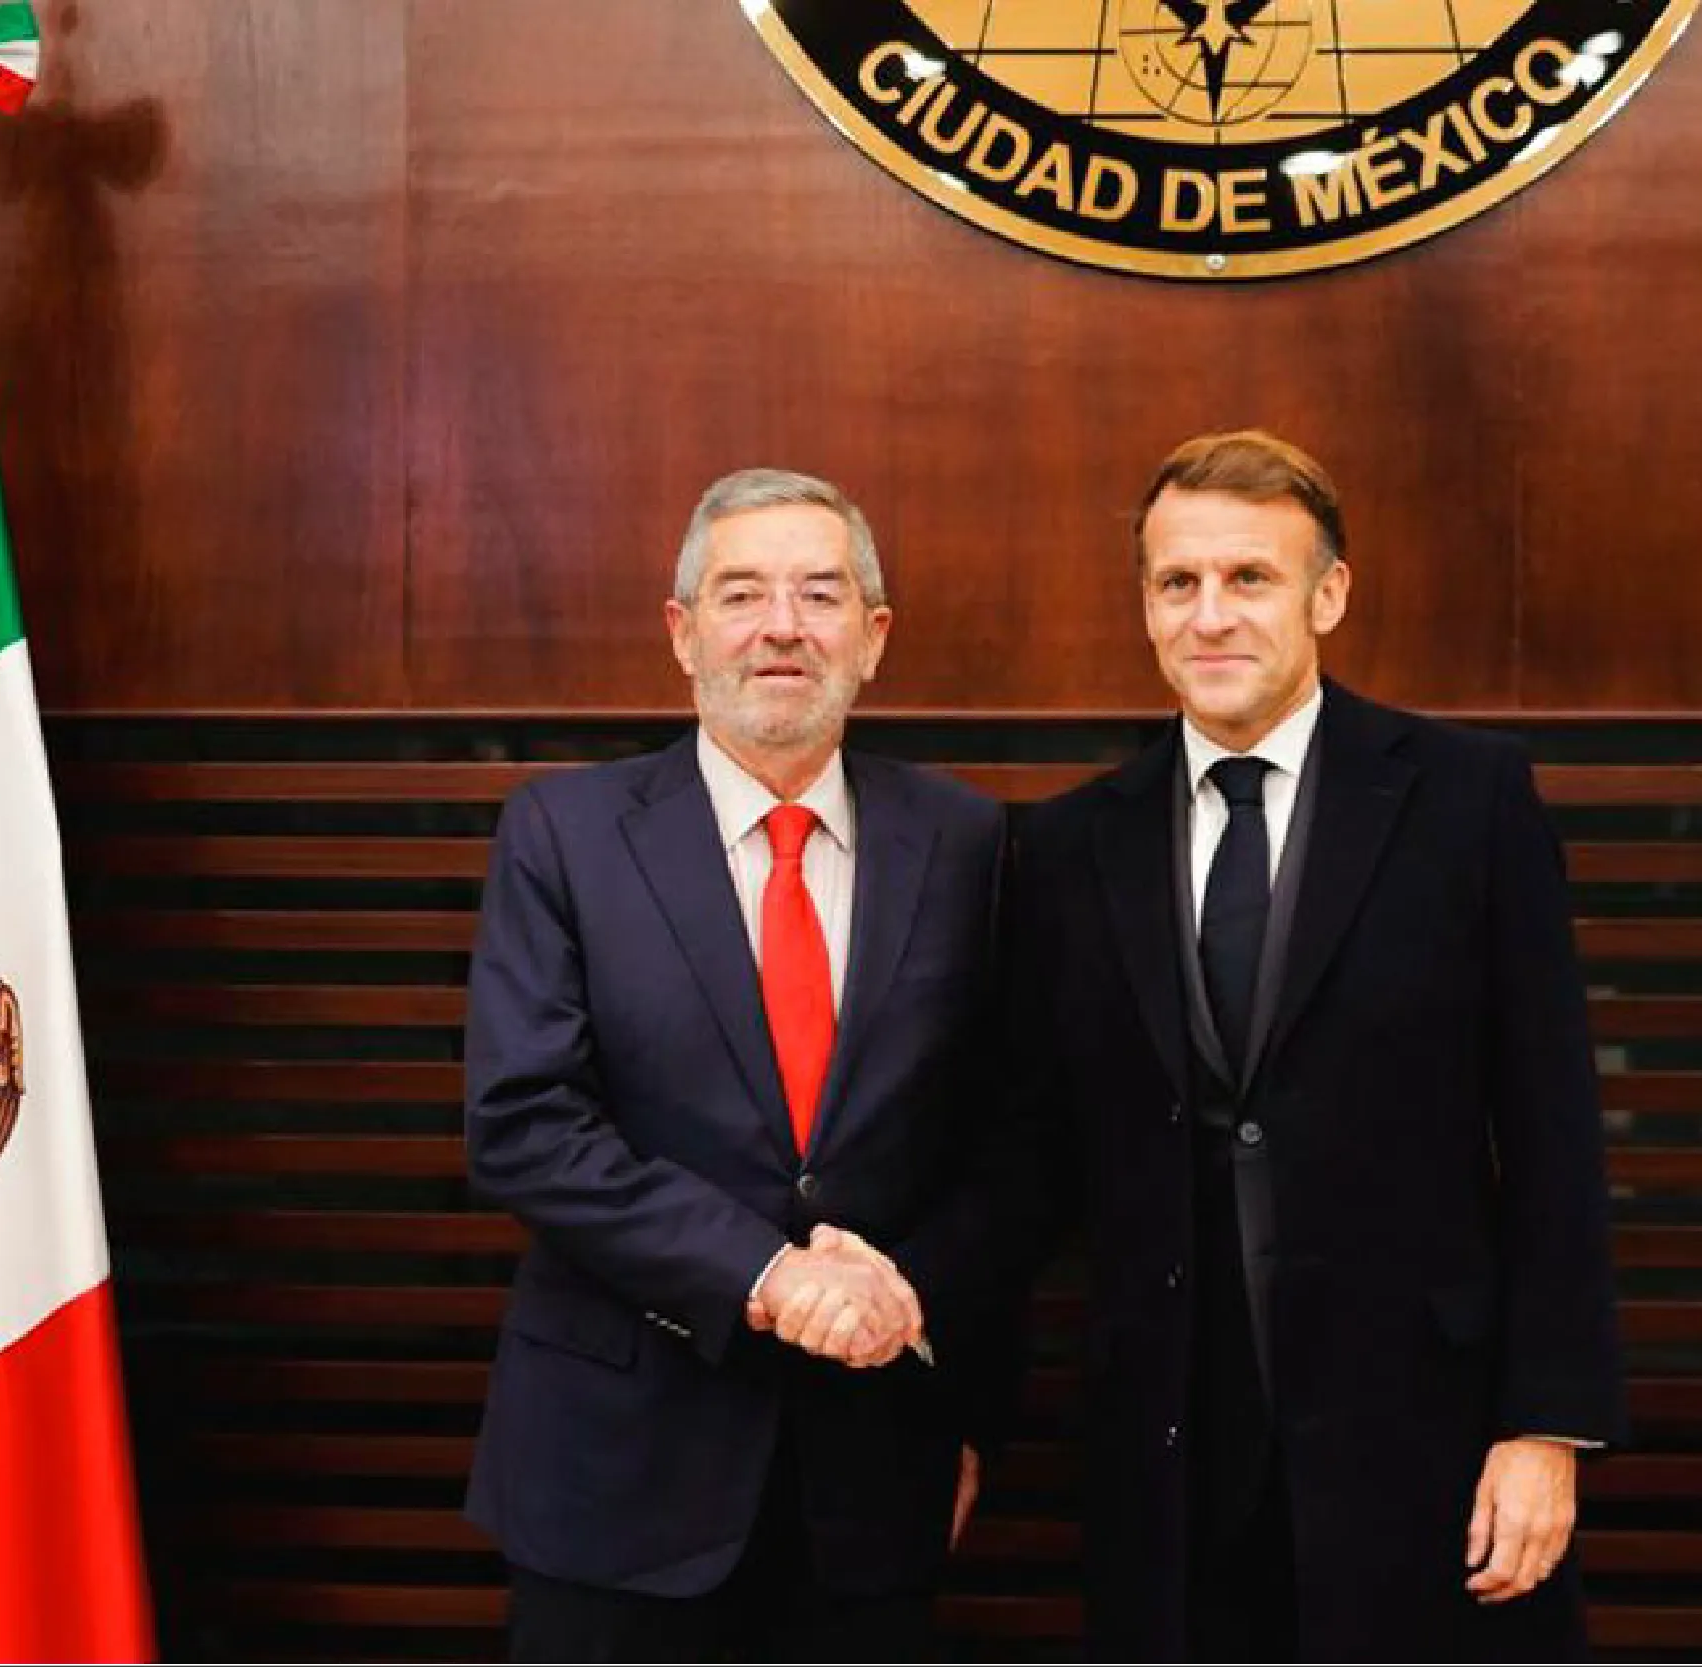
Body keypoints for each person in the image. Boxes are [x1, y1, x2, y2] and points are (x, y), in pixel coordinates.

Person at [993, 431, 1627, 1661]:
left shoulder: (1466, 800)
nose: (1209, 614)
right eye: (1177, 583)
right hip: (1165, 1460)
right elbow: (1028, 1157)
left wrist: (1546, 1424)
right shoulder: (1071, 847)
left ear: (1328, 594)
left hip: (1424, 1448)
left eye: (1250, 578)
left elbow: (1551, 1129)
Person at [462, 467, 1004, 1662]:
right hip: (616, 1475)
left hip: (875, 1471)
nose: (780, 626)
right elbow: (525, 1123)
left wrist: (911, 1310)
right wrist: (763, 1270)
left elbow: (1008, 1142)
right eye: (741, 592)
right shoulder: (562, 833)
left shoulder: (970, 842)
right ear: (682, 630)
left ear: (873, 638)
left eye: (820, 594)